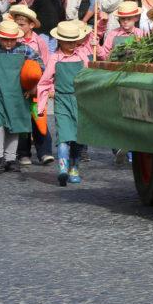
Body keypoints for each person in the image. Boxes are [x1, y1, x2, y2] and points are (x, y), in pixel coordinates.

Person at [0, 3, 53, 166]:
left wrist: (35, 88)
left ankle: (13, 158)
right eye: (5, 39)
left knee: (18, 122)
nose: (8, 43)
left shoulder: (26, 49)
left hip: (18, 93)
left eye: (12, 40)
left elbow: (43, 68)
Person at [38, 20, 92, 186]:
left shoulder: (82, 55)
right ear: (59, 40)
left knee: (77, 138)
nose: (71, 44)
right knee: (63, 137)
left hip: (80, 100)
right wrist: (41, 105)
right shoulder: (55, 58)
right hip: (62, 100)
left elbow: (90, 77)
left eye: (74, 41)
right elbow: (45, 82)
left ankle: (74, 168)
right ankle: (62, 168)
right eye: (67, 41)